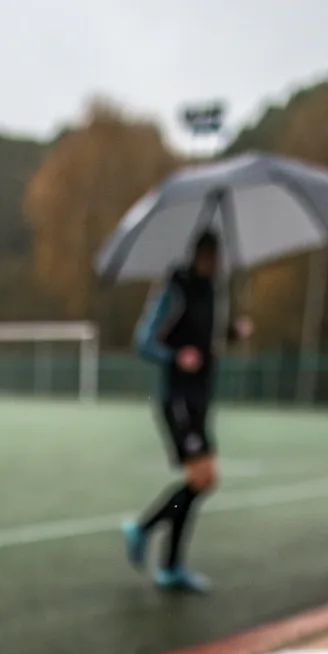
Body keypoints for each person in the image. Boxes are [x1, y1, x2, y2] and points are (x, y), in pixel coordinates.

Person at [124, 228, 223, 594]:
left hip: (199, 399)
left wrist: (230, 333)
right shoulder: (175, 290)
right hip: (177, 399)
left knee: (204, 480)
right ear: (198, 256)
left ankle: (170, 566)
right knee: (201, 478)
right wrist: (176, 357)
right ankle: (143, 530)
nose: (215, 265)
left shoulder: (212, 293)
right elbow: (143, 342)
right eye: (210, 257)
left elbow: (203, 342)